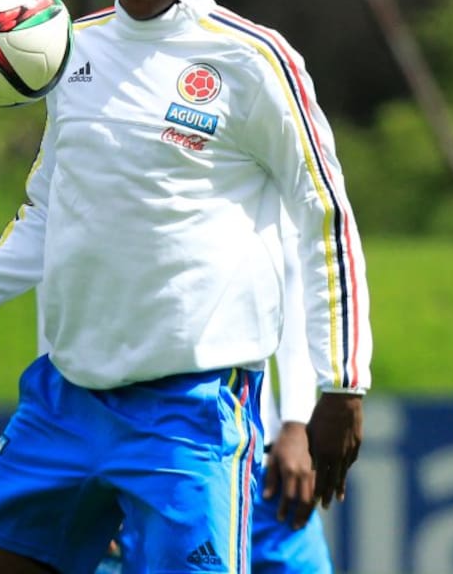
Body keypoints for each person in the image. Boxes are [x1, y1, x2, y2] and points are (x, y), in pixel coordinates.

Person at [0, 0, 371, 574]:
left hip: (188, 411)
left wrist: (339, 385)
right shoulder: (69, 50)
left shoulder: (254, 62)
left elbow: (324, 220)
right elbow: (49, 207)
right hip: (65, 399)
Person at [99, 210, 335, 574]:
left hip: (265, 464)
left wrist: (297, 421)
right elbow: (67, 325)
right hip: (157, 462)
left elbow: (294, 277)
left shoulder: (243, 165)